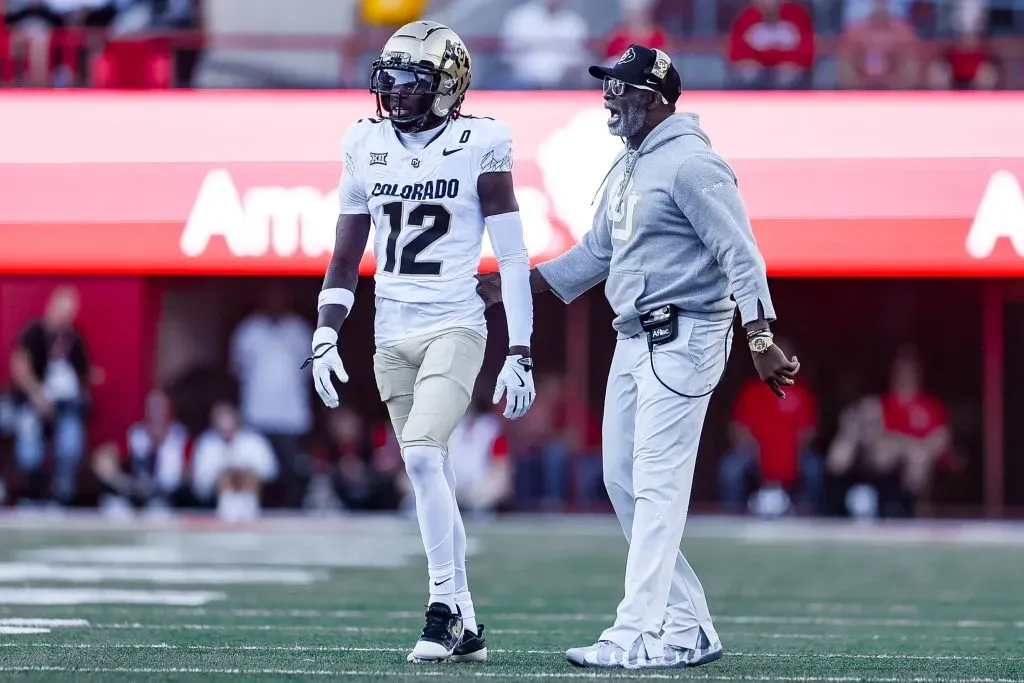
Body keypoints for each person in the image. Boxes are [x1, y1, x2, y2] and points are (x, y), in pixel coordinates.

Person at [477, 44, 799, 669]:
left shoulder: (691, 164)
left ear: (654, 98)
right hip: (635, 337)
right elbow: (595, 255)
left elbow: (743, 256)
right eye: (608, 88)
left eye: (621, 90)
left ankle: (637, 635)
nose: (609, 99)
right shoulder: (631, 165)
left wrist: (759, 337)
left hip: (687, 334)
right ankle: (688, 627)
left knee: (655, 484)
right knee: (620, 478)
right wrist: (511, 286)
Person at [305, 21, 536, 664]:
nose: (396, 90)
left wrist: (520, 350)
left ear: (449, 85)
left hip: (455, 322)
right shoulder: (363, 141)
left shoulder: (479, 141)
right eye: (391, 77)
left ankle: (439, 607)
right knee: (423, 471)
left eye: (412, 79)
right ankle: (465, 620)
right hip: (389, 331)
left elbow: (512, 258)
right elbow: (346, 251)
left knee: (429, 459)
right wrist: (326, 333)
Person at [9, 285, 91, 507]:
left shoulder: (74, 338)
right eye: (64, 308)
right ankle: (31, 496)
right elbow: (19, 368)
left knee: (71, 443)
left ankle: (60, 499)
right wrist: (38, 395)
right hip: (32, 403)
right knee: (29, 450)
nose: (67, 315)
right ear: (52, 306)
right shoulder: (34, 332)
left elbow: (84, 374)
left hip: (65, 408)